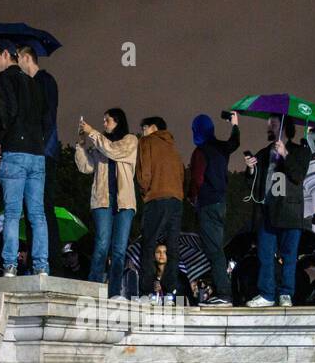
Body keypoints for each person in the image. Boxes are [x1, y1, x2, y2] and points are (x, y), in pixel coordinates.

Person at [0, 40, 48, 277]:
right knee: (37, 214)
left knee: (12, 212)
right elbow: (44, 117)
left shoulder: (5, 79)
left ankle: (10, 264)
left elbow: (9, 112)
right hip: (37, 152)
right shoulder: (33, 82)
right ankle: (41, 266)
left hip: (15, 150)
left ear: (6, 54)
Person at [244, 117, 312, 308]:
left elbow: (298, 176)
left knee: (289, 256)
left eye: (272, 124)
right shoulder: (264, 153)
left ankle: (285, 294)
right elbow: (252, 183)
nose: (269, 128)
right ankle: (266, 293)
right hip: (267, 211)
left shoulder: (300, 151)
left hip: (289, 211)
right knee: (265, 255)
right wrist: (250, 169)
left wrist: (286, 154)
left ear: (284, 127)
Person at [76, 108, 138, 299]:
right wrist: (80, 144)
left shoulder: (130, 140)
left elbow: (114, 151)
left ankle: (114, 293)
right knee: (102, 244)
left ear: (117, 121)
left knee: (119, 250)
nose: (104, 124)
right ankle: (93, 290)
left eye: (107, 120)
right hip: (102, 200)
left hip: (124, 202)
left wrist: (92, 132)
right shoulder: (99, 143)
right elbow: (85, 167)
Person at [17, 45, 63, 274]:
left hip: (44, 152)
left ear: (26, 58)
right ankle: (38, 261)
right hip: (34, 152)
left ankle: (51, 263)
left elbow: (48, 115)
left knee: (44, 207)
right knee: (32, 209)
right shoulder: (30, 84)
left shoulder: (45, 81)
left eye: (18, 59)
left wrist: (39, 145)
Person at [187, 112, 241, 306]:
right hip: (221, 203)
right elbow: (234, 143)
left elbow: (197, 179)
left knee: (214, 250)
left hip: (207, 204)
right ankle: (222, 290)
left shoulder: (200, 151)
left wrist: (192, 197)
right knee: (216, 247)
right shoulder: (221, 148)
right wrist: (235, 125)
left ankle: (224, 293)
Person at [134, 116, 185, 304]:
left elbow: (143, 173)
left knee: (148, 244)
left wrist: (145, 191)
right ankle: (171, 292)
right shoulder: (173, 147)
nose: (142, 131)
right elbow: (181, 173)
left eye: (144, 127)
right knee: (172, 247)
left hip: (156, 197)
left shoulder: (147, 142)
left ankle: (146, 292)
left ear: (153, 128)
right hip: (176, 200)